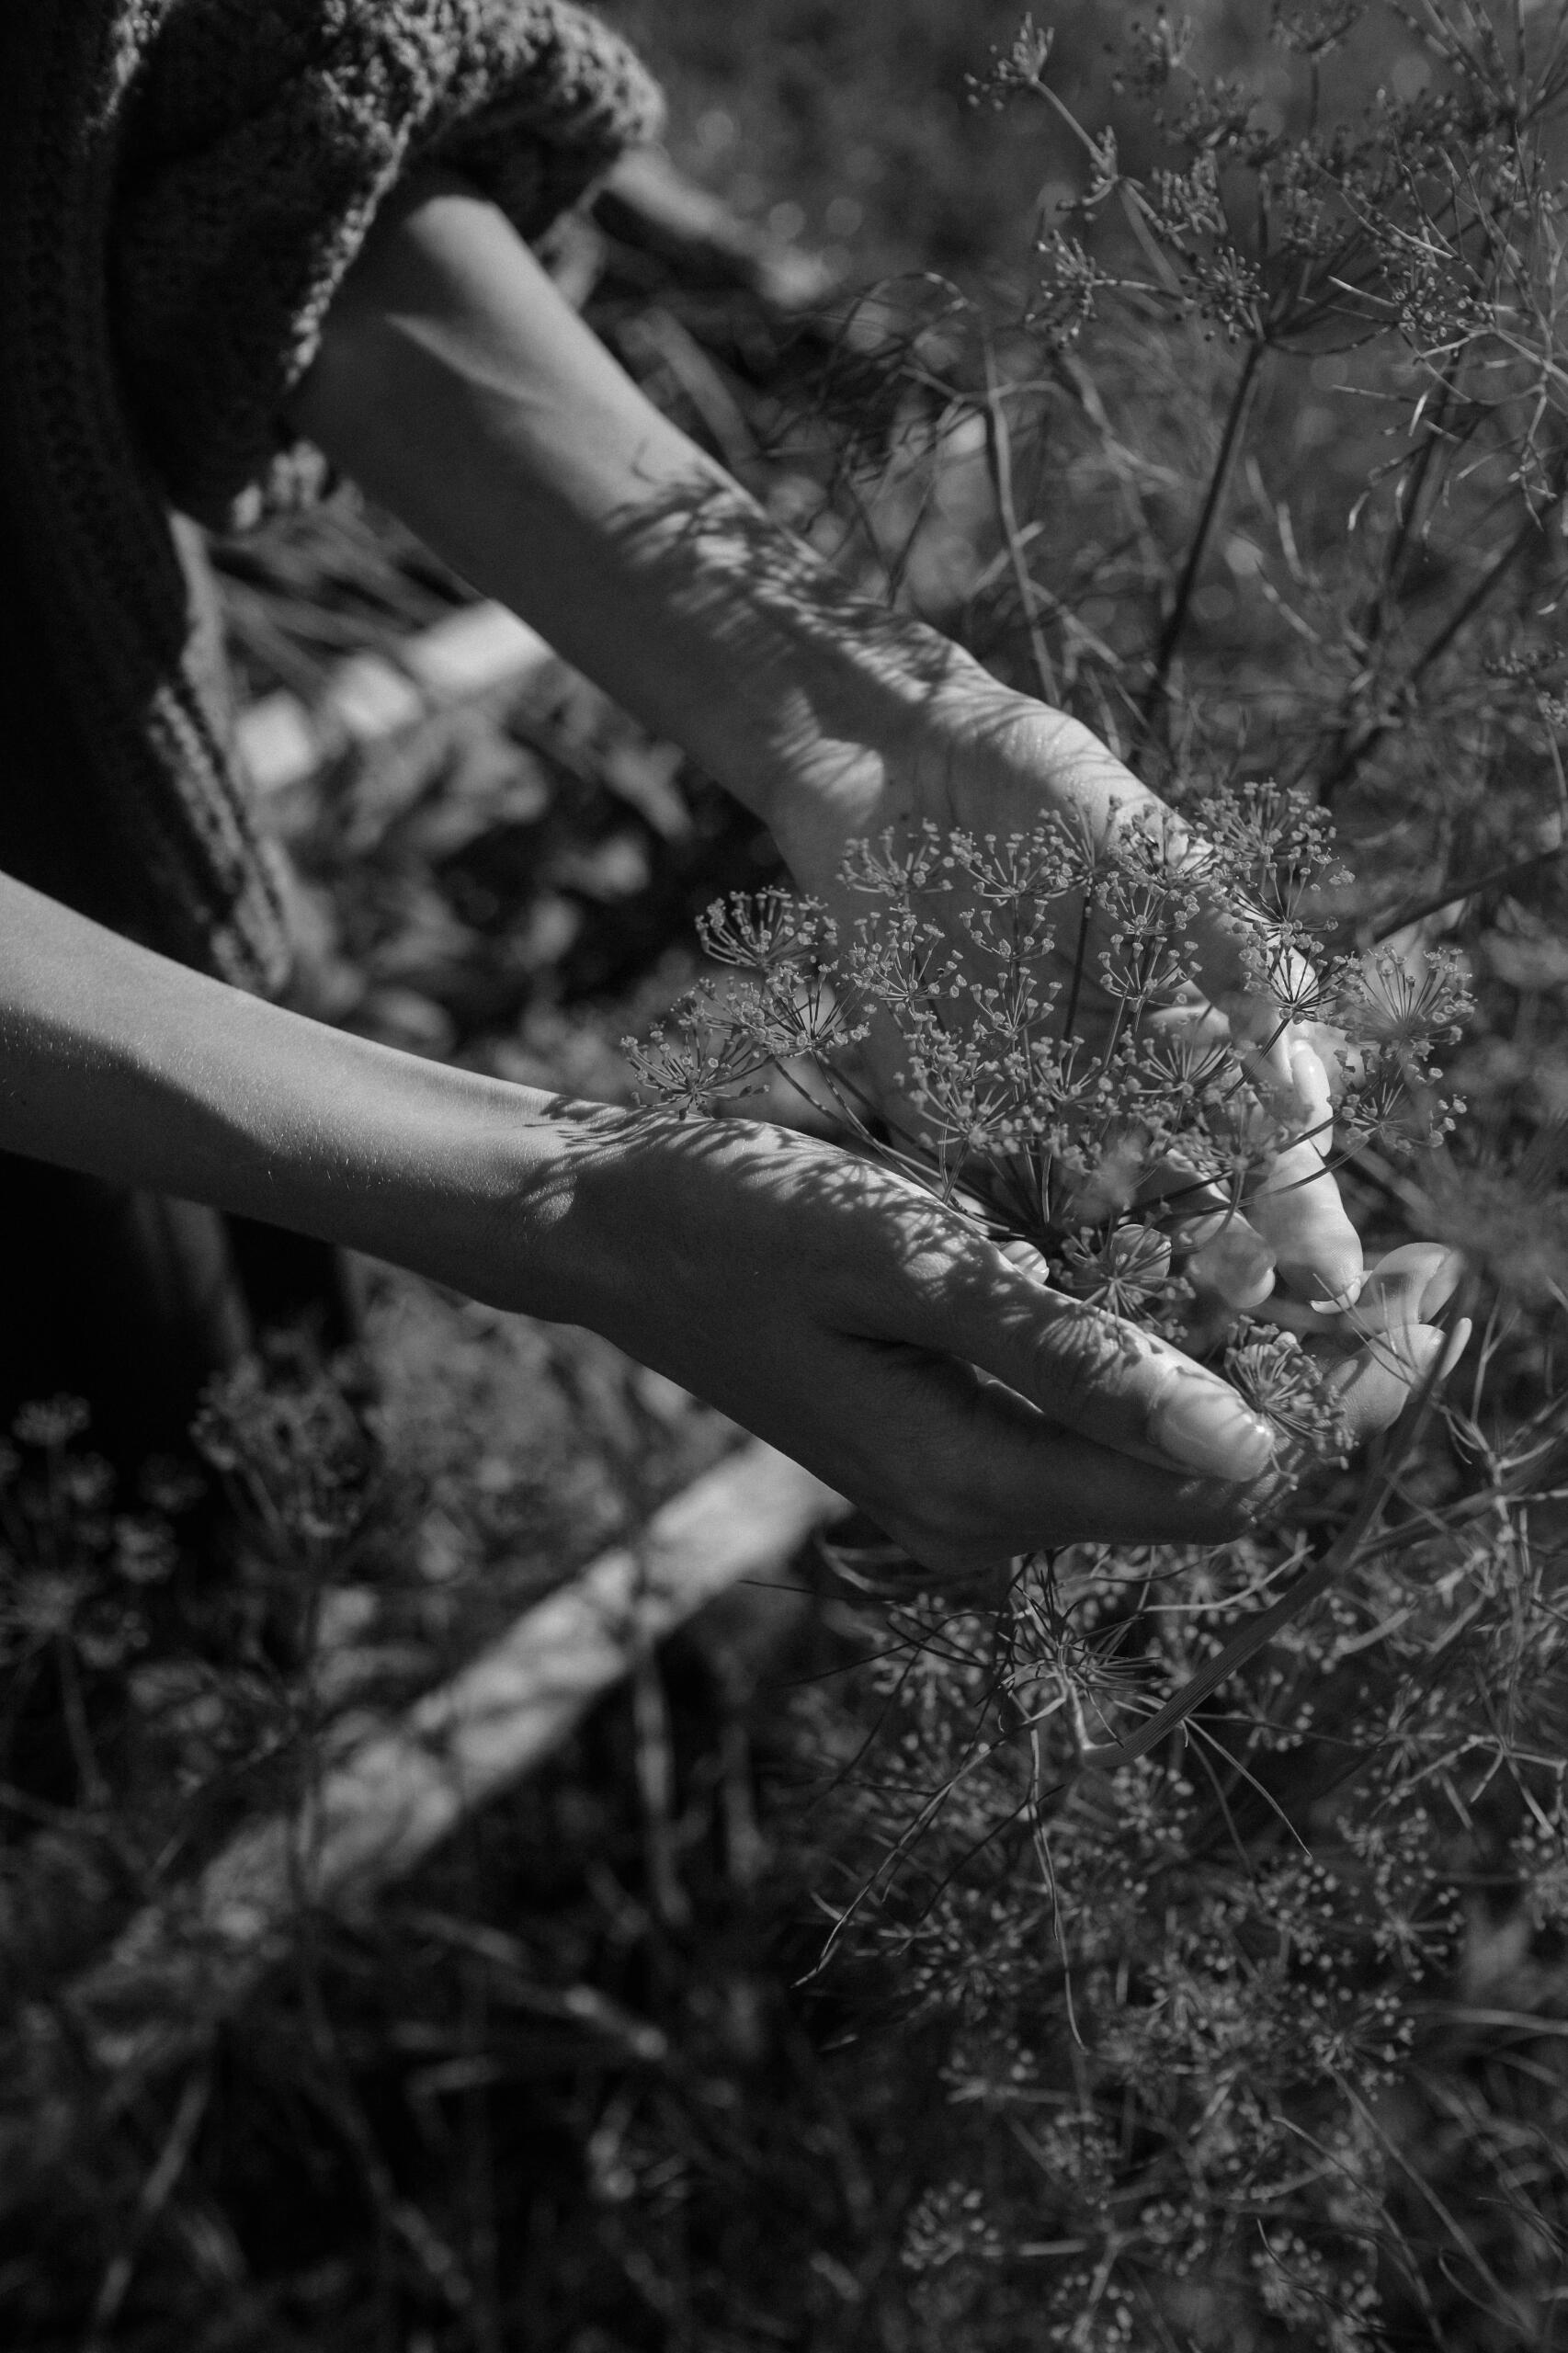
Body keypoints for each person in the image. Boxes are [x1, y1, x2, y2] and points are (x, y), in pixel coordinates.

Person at [0, 0, 1425, 1573]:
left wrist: (876, 727)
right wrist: (563, 1210)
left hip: (122, 911)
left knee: (226, 1462)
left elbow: (231, 125)